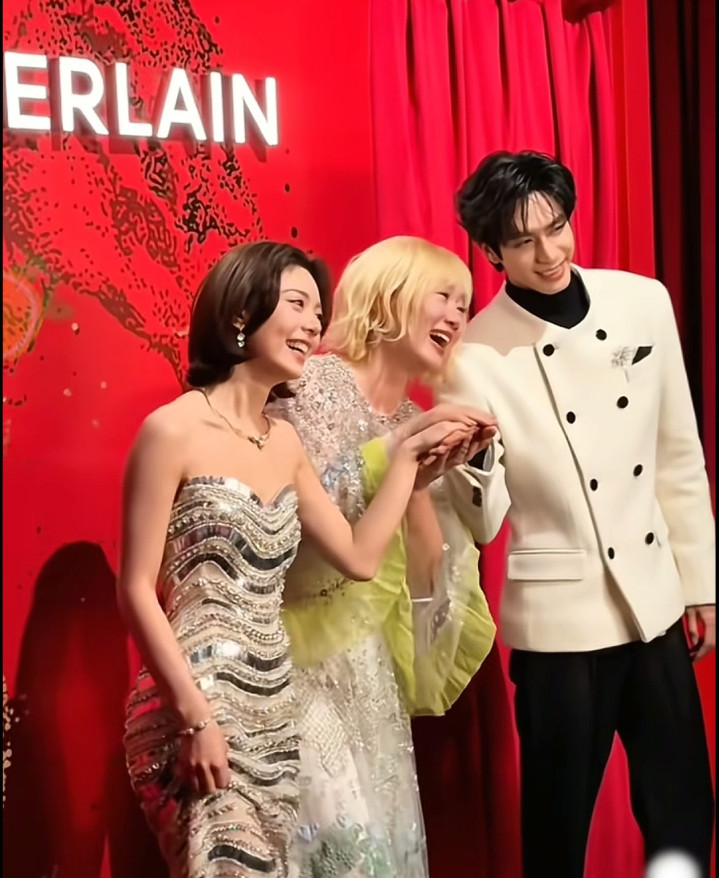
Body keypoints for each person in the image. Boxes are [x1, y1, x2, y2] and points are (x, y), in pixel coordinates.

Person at [118, 240, 487, 878]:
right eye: (297, 304)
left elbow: (359, 557)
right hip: (196, 699)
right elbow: (135, 590)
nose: (314, 325)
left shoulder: (283, 441)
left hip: (275, 704)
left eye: (318, 311)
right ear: (242, 314)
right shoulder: (171, 430)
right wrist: (196, 716)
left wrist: (408, 461)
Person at [441, 149, 716, 878]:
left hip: (654, 603)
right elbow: (483, 522)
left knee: (684, 811)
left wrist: (700, 585)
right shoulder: (473, 356)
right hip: (560, 626)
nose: (548, 253)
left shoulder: (642, 302)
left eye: (556, 228)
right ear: (491, 252)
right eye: (523, 242)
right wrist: (473, 460)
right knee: (557, 834)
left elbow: (677, 453)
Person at [270, 236, 499, 878]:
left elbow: (427, 577)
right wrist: (396, 463)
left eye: (465, 304)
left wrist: (438, 479)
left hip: (370, 671)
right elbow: (289, 519)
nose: (457, 316)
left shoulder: (413, 417)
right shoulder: (306, 382)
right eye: (444, 296)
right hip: (295, 664)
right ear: (390, 295)